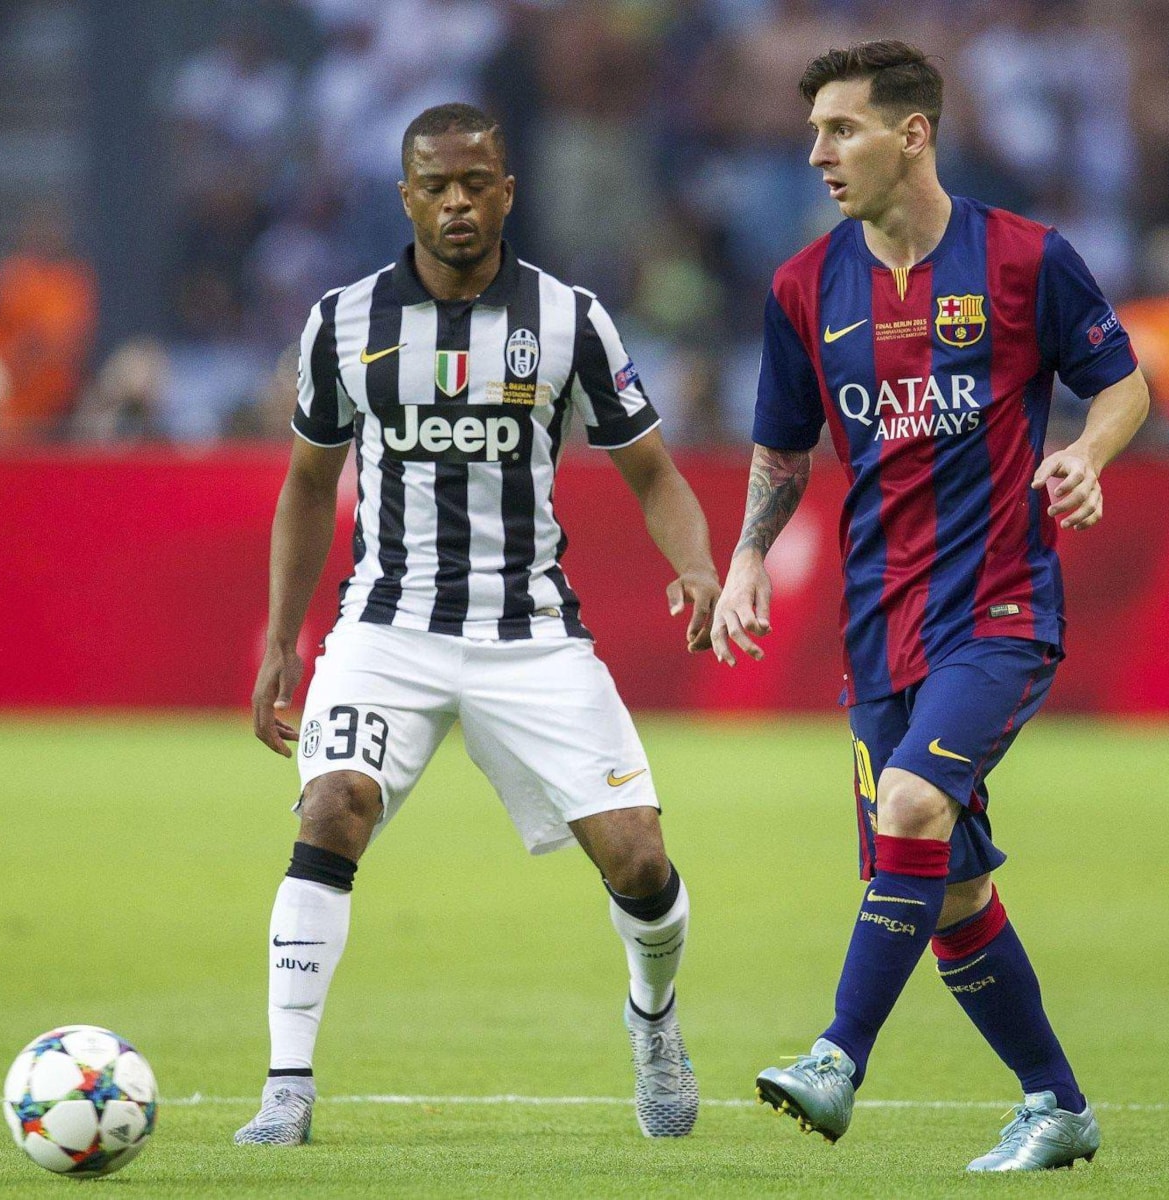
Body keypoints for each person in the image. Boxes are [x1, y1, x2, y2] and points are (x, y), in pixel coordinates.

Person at [234, 103, 720, 1146]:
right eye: (435, 186)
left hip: (529, 629)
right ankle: (286, 1088)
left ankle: (654, 1024)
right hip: (385, 627)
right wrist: (282, 637)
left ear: (507, 191)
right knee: (330, 810)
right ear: (405, 197)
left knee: (639, 860)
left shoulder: (569, 319)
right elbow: (309, 484)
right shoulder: (343, 322)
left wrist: (696, 567)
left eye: (475, 183)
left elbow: (652, 471)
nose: (456, 203)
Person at [711, 42, 1148, 1172]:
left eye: (842, 130)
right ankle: (1056, 1104)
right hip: (879, 626)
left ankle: (836, 1058)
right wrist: (749, 554)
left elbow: (1123, 381)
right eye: (813, 133)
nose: (819, 154)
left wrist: (1088, 453)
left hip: (999, 607)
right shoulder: (805, 288)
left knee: (909, 807)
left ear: (912, 134)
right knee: (945, 889)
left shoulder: (1025, 258)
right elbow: (783, 446)